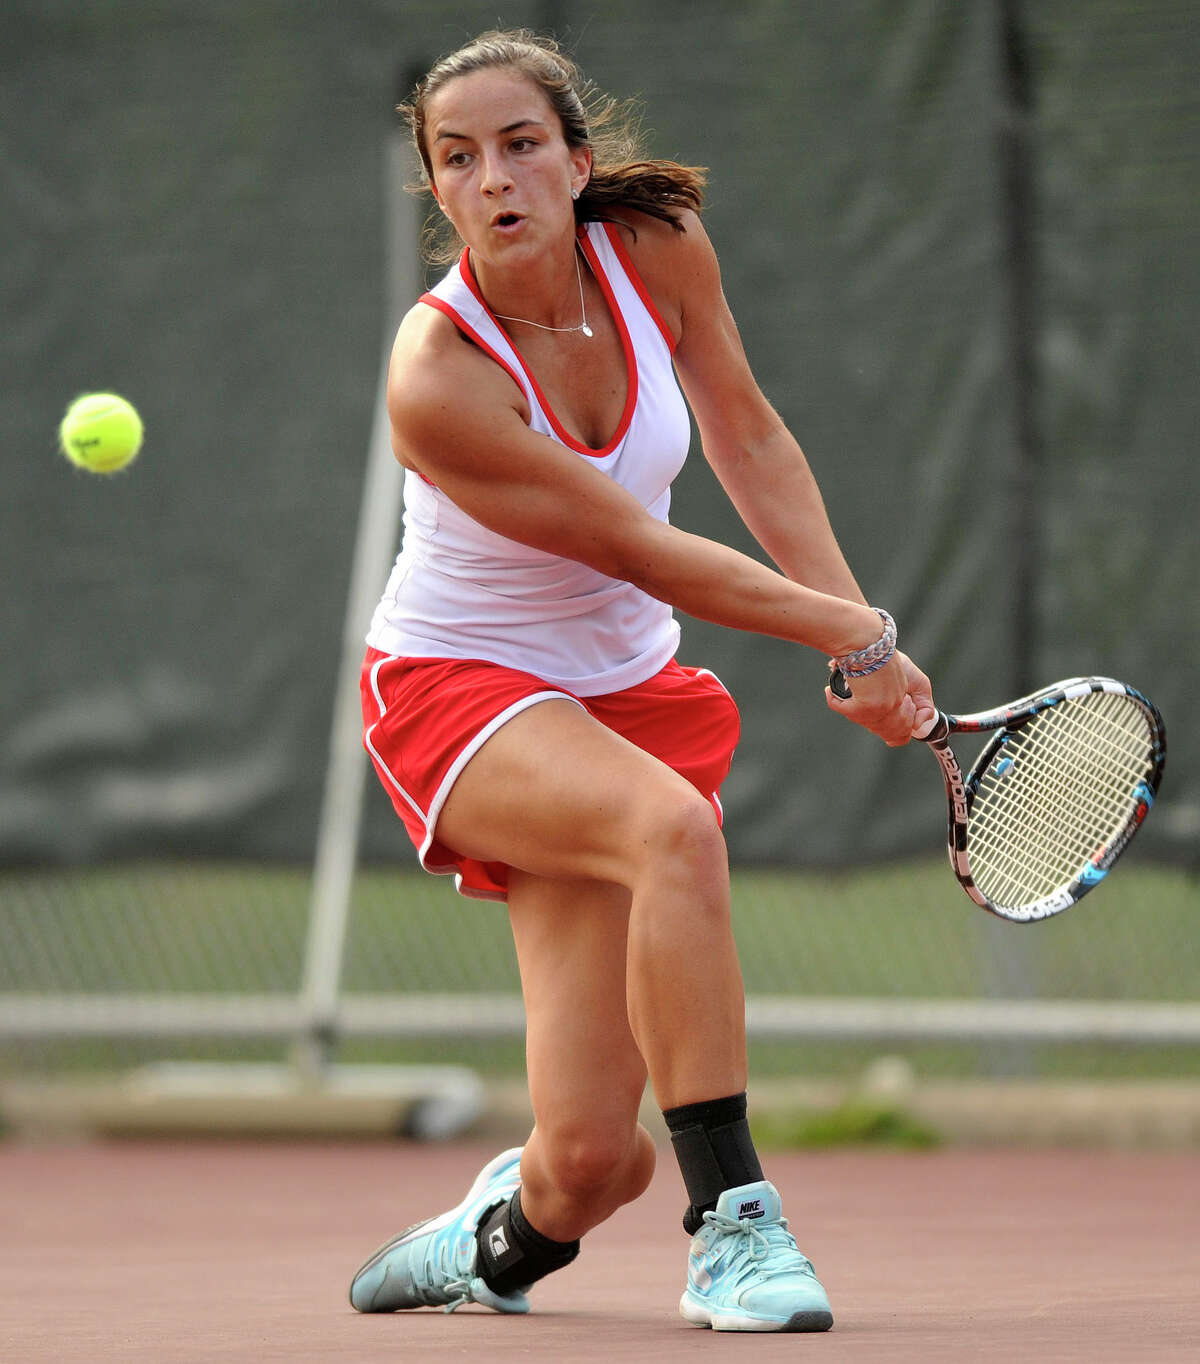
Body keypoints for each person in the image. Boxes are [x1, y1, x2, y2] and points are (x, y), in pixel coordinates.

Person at [349, 28, 935, 1334]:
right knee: (673, 828)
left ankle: (493, 1242)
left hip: (615, 696)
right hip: (462, 691)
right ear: (436, 190)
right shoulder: (436, 376)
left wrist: (858, 630)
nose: (492, 177)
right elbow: (640, 547)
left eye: (518, 144)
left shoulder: (656, 250)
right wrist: (858, 639)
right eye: (458, 158)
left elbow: (749, 435)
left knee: (587, 1165)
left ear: (575, 158)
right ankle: (736, 1226)